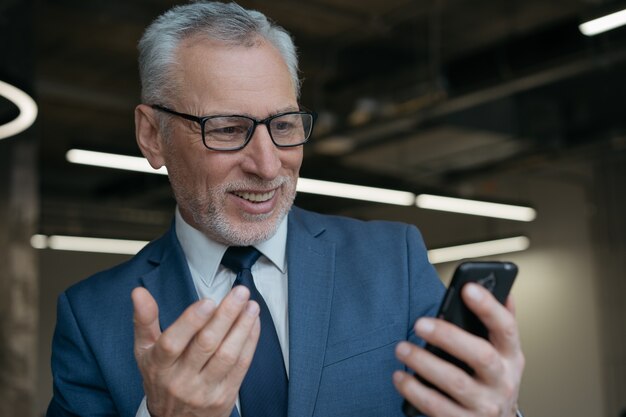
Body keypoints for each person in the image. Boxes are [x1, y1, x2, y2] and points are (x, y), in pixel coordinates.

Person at [46, 2, 525, 417]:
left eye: (284, 124)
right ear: (153, 135)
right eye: (228, 129)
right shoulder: (91, 317)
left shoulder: (392, 260)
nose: (268, 163)